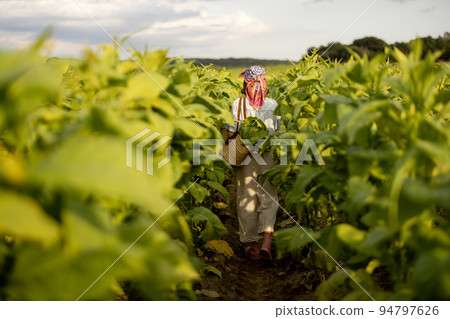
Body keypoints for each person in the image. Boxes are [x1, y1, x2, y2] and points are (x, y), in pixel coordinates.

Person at [225, 66, 280, 261]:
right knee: (269, 196)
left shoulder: (238, 103)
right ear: (264, 83)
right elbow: (280, 132)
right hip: (268, 155)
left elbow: (232, 132)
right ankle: (267, 240)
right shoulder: (274, 104)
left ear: (245, 84)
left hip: (245, 155)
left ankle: (253, 245)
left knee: (246, 196)